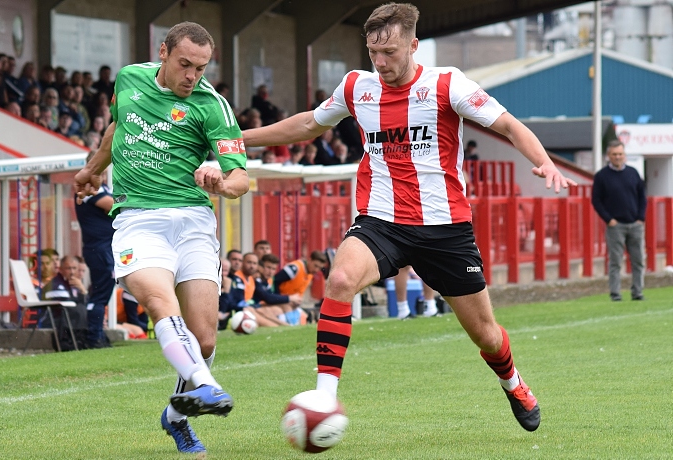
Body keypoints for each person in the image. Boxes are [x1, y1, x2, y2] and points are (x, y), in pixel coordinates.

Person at [242, 2, 577, 433]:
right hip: (381, 220)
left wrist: (544, 161)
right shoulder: (355, 88)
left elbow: (509, 126)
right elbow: (308, 124)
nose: (380, 63)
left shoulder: (447, 84)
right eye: (373, 54)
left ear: (414, 45)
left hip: (445, 227)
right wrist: (239, 140)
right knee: (340, 280)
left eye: (391, 53)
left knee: (486, 335)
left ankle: (513, 383)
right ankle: (324, 398)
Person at [74, 21, 249, 454]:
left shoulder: (213, 106)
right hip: (138, 218)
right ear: (164, 52)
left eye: (202, 68)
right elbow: (117, 129)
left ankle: (175, 417)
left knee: (205, 339)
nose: (193, 76)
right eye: (185, 64)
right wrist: (92, 170)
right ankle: (206, 386)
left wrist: (220, 183)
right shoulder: (130, 77)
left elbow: (241, 178)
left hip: (192, 220)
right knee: (158, 301)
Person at [591, 140, 647, 302]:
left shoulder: (633, 173)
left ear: (624, 155)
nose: (618, 157)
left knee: (638, 260)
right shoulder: (601, 176)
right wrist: (609, 219)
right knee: (615, 261)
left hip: (635, 224)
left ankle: (638, 292)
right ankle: (615, 294)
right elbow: (596, 200)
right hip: (615, 226)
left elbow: (642, 197)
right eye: (614, 154)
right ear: (608, 156)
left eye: (620, 154)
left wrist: (640, 218)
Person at [75, 151, 116, 349]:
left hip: (103, 248)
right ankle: (94, 337)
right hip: (98, 248)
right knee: (100, 293)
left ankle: (98, 334)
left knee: (102, 291)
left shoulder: (103, 187)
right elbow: (113, 206)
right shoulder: (89, 189)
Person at [41, 255, 89, 350]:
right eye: (68, 268)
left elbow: (85, 304)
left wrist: (83, 290)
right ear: (61, 269)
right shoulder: (56, 285)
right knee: (79, 310)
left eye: (74, 268)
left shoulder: (73, 284)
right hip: (52, 319)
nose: (71, 272)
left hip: (66, 319)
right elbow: (67, 306)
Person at [273, 251, 327, 325]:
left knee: (309, 319)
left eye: (320, 268)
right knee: (293, 321)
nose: (316, 270)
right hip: (282, 302)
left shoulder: (310, 273)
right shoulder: (295, 268)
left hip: (292, 304)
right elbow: (275, 280)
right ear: (310, 260)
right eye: (315, 266)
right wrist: (279, 299)